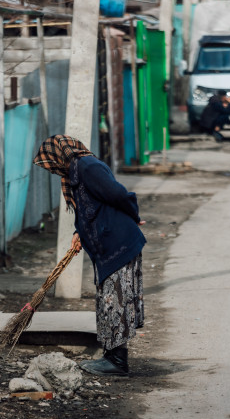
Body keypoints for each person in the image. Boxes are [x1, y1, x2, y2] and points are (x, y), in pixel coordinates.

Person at [33, 135, 146, 377]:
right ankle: (111, 356)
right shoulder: (74, 172)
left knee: (115, 301)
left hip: (118, 242)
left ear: (59, 154)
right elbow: (88, 208)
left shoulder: (87, 167)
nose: (52, 169)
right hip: (107, 244)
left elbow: (117, 194)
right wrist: (79, 232)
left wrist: (134, 215)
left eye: (51, 163)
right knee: (109, 300)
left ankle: (118, 362)